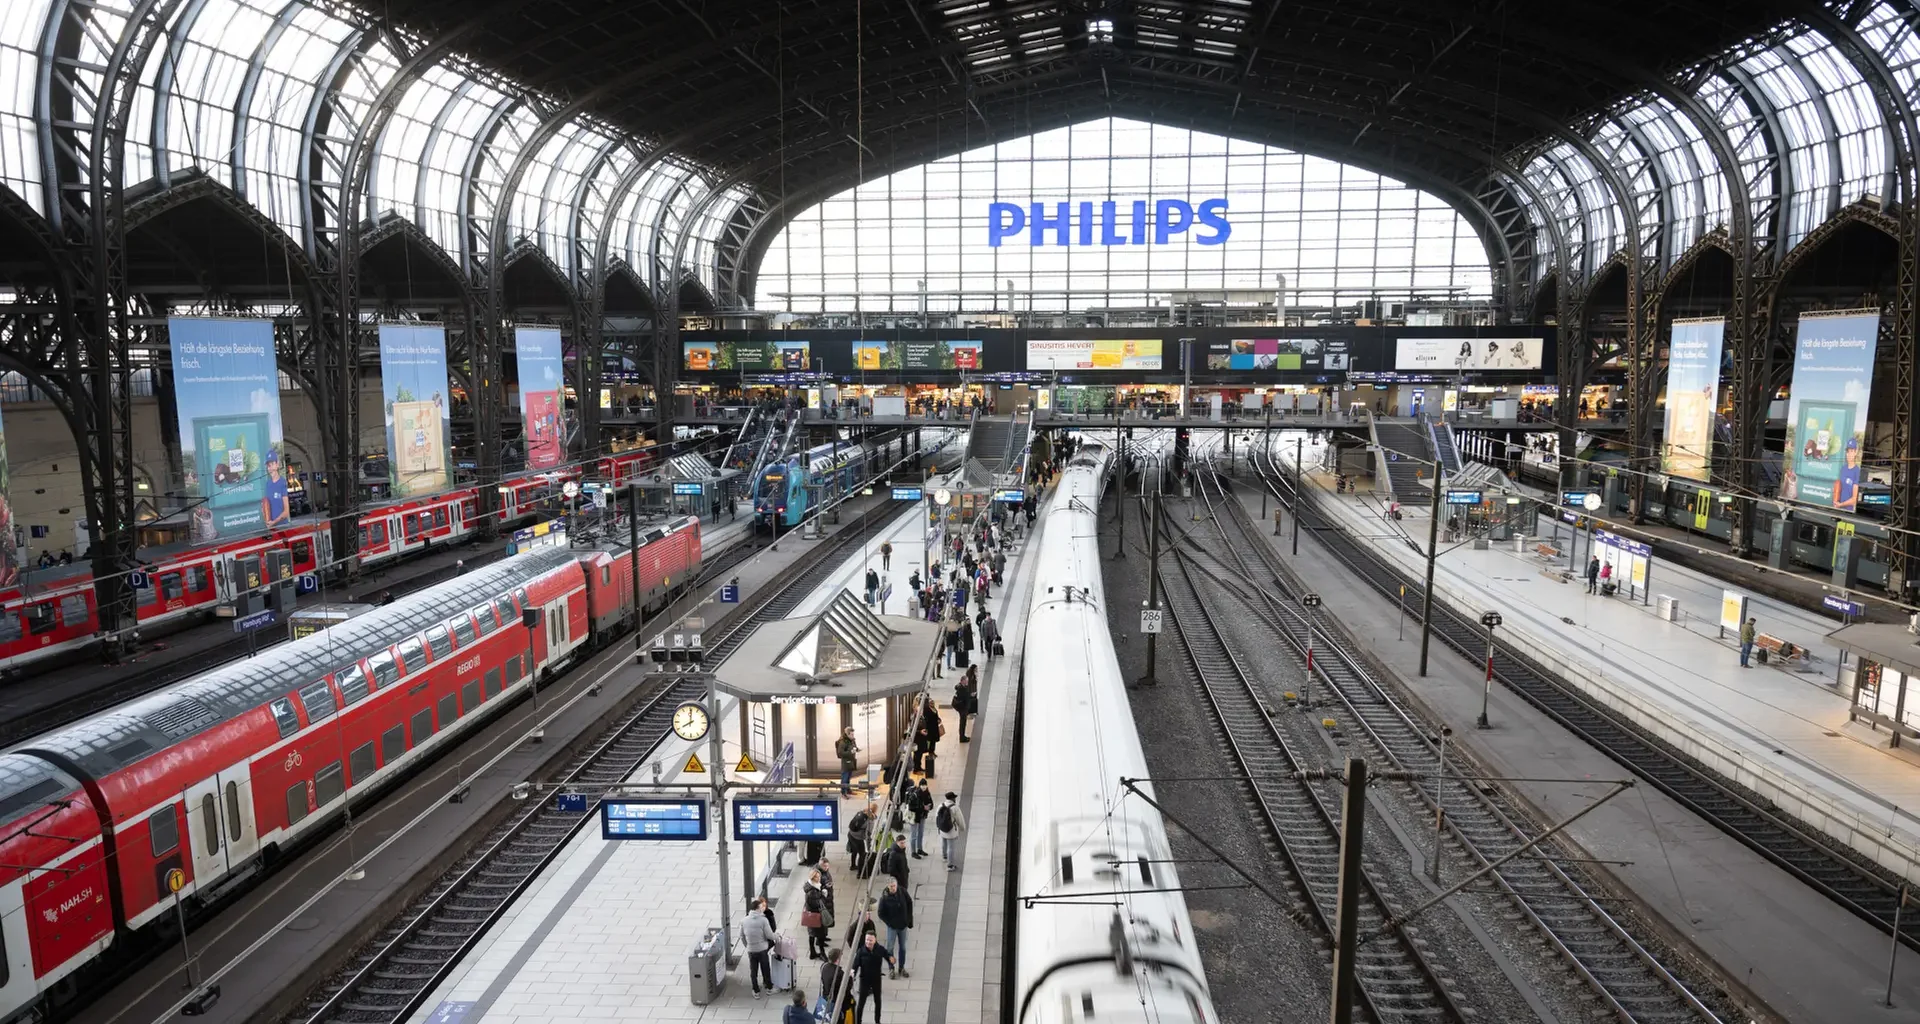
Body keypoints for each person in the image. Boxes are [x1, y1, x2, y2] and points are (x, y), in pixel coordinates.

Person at [851, 932, 894, 1024]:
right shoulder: (861, 951)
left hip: (876, 979)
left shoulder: (880, 949)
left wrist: (891, 960)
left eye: (870, 940)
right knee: (861, 1003)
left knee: (877, 1001)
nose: (868, 942)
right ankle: (858, 1021)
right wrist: (853, 973)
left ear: (875, 940)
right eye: (867, 940)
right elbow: (855, 965)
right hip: (864, 980)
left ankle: (877, 1021)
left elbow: (887, 956)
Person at [876, 878, 914, 979]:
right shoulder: (885, 897)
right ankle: (891, 968)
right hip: (892, 927)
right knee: (890, 948)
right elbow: (880, 913)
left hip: (902, 926)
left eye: (894, 886)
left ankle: (901, 967)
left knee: (903, 947)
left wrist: (908, 919)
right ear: (888, 887)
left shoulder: (902, 892)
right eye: (891, 886)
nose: (893, 888)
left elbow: (909, 902)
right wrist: (889, 923)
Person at [741, 897, 776, 995]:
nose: (762, 909)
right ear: (757, 909)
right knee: (765, 968)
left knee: (753, 970)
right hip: (762, 949)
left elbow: (741, 936)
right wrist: (777, 937)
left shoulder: (744, 920)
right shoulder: (763, 920)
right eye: (761, 907)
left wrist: (747, 946)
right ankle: (769, 988)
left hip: (751, 950)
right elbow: (769, 935)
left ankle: (755, 990)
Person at [802, 870, 832, 959]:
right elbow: (817, 903)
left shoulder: (813, 887)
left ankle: (812, 952)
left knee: (812, 934)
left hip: (811, 916)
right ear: (812, 878)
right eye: (816, 877)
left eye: (819, 876)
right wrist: (823, 895)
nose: (818, 878)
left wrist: (823, 888)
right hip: (816, 916)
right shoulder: (812, 891)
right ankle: (822, 953)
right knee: (820, 935)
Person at [936, 791, 967, 870]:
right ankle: (950, 865)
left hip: (942, 829)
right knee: (951, 847)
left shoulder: (941, 805)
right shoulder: (955, 808)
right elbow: (960, 819)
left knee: (944, 843)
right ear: (952, 798)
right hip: (951, 830)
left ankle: (944, 856)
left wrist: (939, 827)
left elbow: (937, 817)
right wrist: (962, 828)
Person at [260, 454, 291, 526]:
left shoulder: (282, 482)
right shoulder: (268, 484)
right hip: (271, 528)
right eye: (268, 465)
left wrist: (274, 522)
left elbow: (286, 512)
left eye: (272, 464)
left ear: (277, 465)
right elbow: (266, 505)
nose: (270, 468)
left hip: (283, 526)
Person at [849, 802, 877, 877]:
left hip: (851, 834)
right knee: (862, 854)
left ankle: (853, 865)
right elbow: (868, 835)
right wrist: (869, 846)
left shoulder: (862, 812)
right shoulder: (870, 821)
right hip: (858, 838)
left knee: (854, 851)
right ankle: (860, 873)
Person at [908, 777, 933, 858]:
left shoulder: (927, 793)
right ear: (919, 785)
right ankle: (913, 852)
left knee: (921, 833)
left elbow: (931, 803)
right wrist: (923, 808)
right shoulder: (915, 794)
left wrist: (929, 806)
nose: (924, 786)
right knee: (914, 835)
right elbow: (911, 807)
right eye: (922, 785)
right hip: (915, 817)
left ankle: (919, 849)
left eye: (925, 785)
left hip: (922, 816)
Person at [953, 667, 978, 743]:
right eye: (966, 681)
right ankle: (962, 737)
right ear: (963, 681)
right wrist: (971, 695)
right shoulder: (961, 688)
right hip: (962, 708)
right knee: (962, 723)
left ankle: (963, 736)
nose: (967, 683)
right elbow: (965, 697)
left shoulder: (961, 687)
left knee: (963, 723)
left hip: (962, 707)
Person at [837, 727, 860, 796]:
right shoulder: (842, 742)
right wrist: (850, 752)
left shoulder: (852, 740)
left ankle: (848, 790)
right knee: (845, 778)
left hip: (851, 761)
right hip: (846, 763)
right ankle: (843, 792)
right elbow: (840, 753)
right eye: (852, 734)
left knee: (849, 777)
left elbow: (854, 747)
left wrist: (857, 749)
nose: (853, 736)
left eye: (853, 734)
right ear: (847, 734)